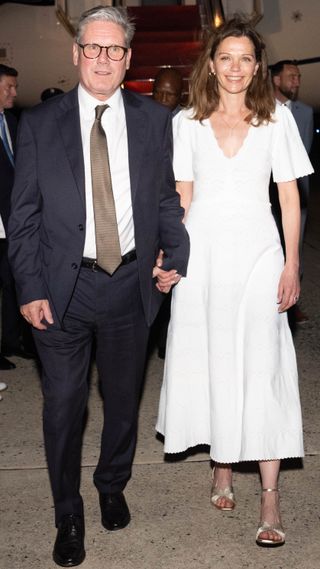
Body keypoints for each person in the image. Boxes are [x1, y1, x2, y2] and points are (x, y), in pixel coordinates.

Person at [8, 6, 189, 568]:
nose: (104, 59)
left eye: (115, 50)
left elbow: (164, 199)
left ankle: (112, 483)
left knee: (121, 402)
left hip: (131, 286)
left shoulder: (154, 121)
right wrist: (30, 286)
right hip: (62, 292)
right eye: (94, 48)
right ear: (76, 53)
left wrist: (174, 252)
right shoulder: (40, 123)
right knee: (63, 406)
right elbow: (25, 216)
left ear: (129, 58)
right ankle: (68, 509)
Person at [156, 18, 313, 547]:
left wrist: (292, 264)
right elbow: (182, 195)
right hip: (200, 260)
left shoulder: (278, 118)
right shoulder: (187, 122)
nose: (236, 68)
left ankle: (269, 496)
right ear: (211, 63)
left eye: (246, 58)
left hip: (259, 256)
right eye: (227, 57)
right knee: (213, 361)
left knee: (263, 366)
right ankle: (222, 463)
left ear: (257, 66)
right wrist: (167, 255)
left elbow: (289, 197)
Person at [270, 60, 314, 323]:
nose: (296, 82)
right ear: (276, 80)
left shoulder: (305, 113)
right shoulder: (262, 107)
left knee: (293, 249)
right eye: (291, 77)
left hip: (296, 194)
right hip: (266, 196)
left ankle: (292, 304)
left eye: (298, 77)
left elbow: (303, 154)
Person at [0, 64, 35, 371]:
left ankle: (11, 342)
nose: (14, 92)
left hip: (12, 219)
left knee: (13, 282)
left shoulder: (12, 121)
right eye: (8, 87)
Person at [152, 67, 184, 359]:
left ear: (180, 96)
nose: (162, 98)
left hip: (176, 209)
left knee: (172, 276)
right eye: (158, 91)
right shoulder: (141, 119)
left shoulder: (187, 125)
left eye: (169, 94)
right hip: (147, 211)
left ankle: (167, 344)